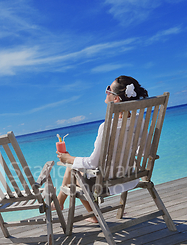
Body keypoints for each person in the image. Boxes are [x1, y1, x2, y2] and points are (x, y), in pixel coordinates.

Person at [55, 75, 149, 222]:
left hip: (108, 183)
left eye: (108, 90)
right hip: (131, 176)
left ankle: (63, 204)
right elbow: (143, 152)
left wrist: (68, 158)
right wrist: (125, 156)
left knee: (71, 168)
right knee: (73, 168)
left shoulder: (106, 126)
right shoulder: (140, 120)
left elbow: (93, 163)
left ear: (116, 99)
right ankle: (62, 203)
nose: (106, 92)